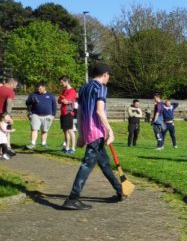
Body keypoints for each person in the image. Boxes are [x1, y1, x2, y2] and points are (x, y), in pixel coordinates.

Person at [62, 63, 123, 210]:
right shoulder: (101, 87)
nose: (109, 78)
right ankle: (72, 198)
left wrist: (82, 134)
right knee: (87, 164)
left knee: (104, 163)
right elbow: (99, 111)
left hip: (89, 131)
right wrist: (110, 130)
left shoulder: (83, 88)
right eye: (109, 76)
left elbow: (81, 112)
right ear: (105, 74)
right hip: (97, 132)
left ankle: (120, 190)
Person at [25, 82, 57, 149]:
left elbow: (54, 105)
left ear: (44, 87)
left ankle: (43, 143)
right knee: (34, 129)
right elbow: (27, 103)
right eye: (37, 88)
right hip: (35, 115)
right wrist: (31, 101)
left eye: (40, 88)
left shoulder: (50, 95)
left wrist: (53, 115)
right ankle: (33, 143)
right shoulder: (33, 94)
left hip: (47, 115)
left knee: (44, 130)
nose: (38, 90)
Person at [58, 76, 78, 154]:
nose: (60, 84)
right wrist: (63, 100)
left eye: (62, 82)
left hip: (68, 113)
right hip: (63, 113)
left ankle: (72, 148)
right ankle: (67, 147)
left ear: (66, 82)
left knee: (70, 130)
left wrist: (65, 100)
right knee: (65, 131)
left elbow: (66, 101)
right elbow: (59, 100)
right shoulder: (64, 91)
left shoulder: (72, 91)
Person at [0, 77, 17, 156]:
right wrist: (8, 116)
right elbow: (9, 103)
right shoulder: (10, 92)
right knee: (4, 132)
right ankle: (5, 150)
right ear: (12, 83)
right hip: (2, 114)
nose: (15, 87)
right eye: (15, 85)